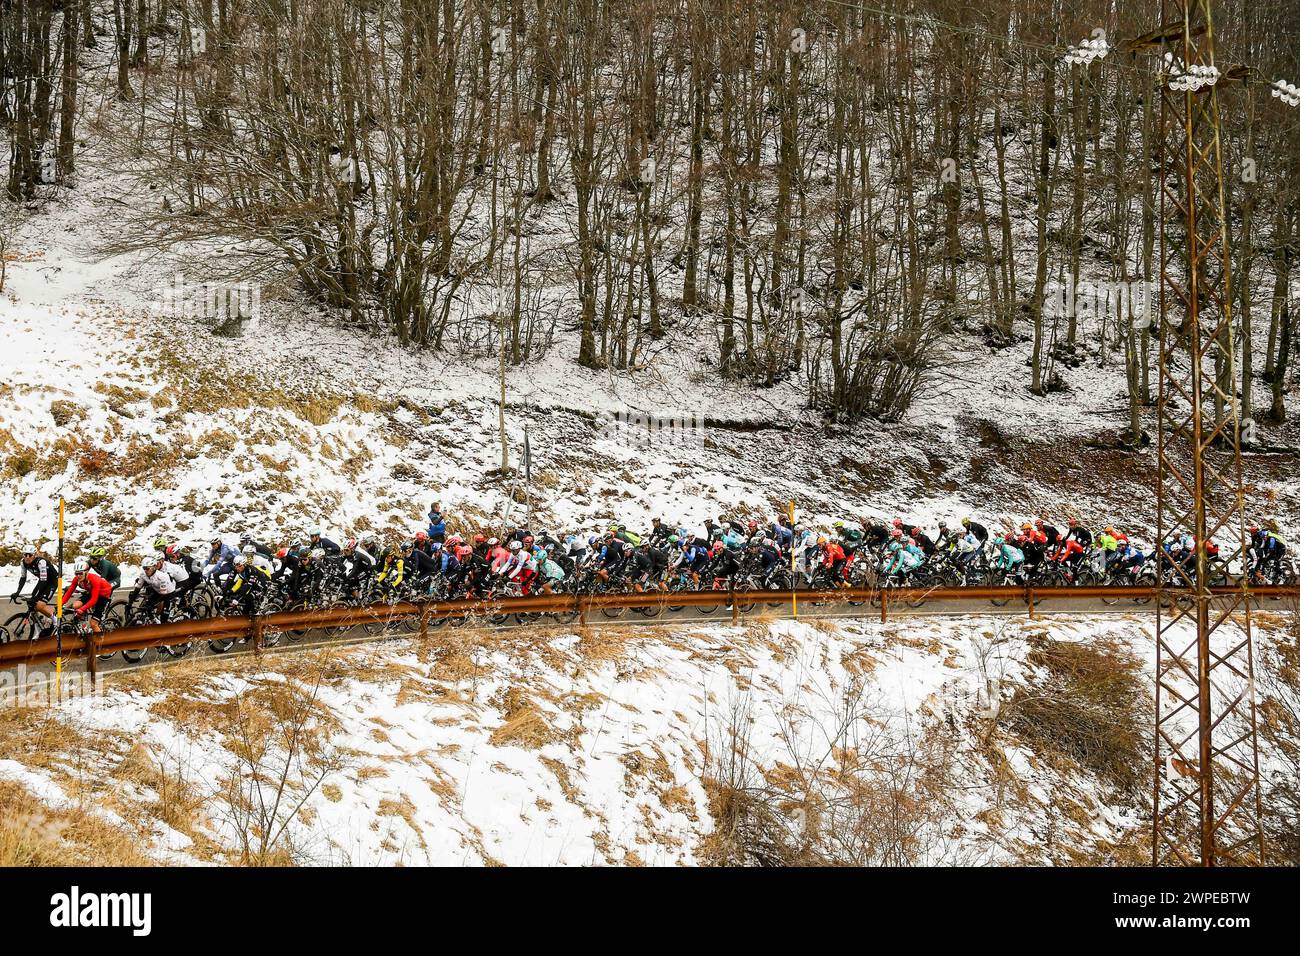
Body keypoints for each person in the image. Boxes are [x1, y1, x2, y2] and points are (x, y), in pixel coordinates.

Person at [61, 558, 113, 633]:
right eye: (76, 573)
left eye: (80, 573)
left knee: (93, 624)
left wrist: (82, 609)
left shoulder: (94, 580)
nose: (78, 576)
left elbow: (94, 599)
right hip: (92, 592)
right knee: (75, 605)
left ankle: (101, 643)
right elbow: (69, 592)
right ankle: (83, 625)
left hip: (103, 595)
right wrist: (60, 604)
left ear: (86, 572)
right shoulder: (77, 579)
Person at [12, 545, 58, 618]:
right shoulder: (23, 563)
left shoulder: (41, 562)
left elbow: (43, 581)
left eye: (29, 555)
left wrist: (35, 598)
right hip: (43, 581)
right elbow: (23, 578)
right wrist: (17, 592)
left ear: (34, 555)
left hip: (52, 582)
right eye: (25, 555)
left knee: (39, 605)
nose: (27, 557)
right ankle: (39, 621)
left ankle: (55, 621)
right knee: (31, 602)